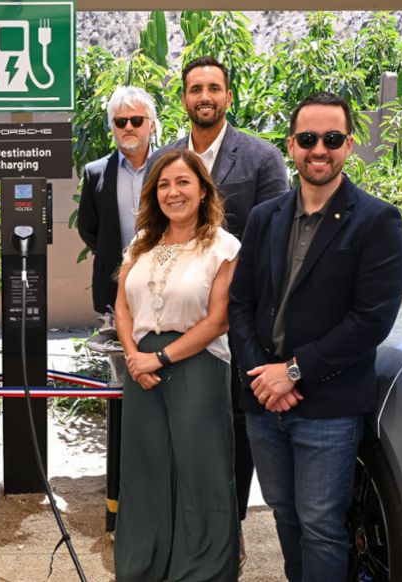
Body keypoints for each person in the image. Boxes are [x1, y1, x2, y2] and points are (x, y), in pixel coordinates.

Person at [228, 91, 402, 582]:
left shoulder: (377, 221)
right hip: (265, 404)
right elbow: (239, 304)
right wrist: (262, 378)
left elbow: (371, 321)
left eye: (332, 138)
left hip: (327, 405)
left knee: (323, 528)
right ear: (291, 145)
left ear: (349, 145)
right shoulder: (266, 217)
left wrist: (292, 372)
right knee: (285, 518)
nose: (319, 149)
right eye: (308, 139)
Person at [152, 55, 289, 564]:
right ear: (184, 98)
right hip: (174, 324)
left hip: (237, 323)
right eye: (194, 88)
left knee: (231, 431)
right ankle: (181, 535)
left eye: (213, 88)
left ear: (228, 96)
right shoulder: (165, 159)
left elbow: (275, 244)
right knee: (178, 431)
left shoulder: (261, 158)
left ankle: (226, 539)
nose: (204, 96)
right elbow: (149, 233)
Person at [114, 148, 241, 582]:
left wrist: (161, 356)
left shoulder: (222, 246)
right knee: (145, 470)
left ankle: (201, 571)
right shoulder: (141, 242)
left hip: (196, 368)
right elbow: (122, 308)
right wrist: (134, 357)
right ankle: (143, 566)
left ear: (203, 190)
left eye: (183, 182)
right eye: (164, 184)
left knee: (200, 470)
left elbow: (218, 320)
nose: (173, 192)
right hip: (141, 372)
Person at [77, 86, 158, 314]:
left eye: (136, 120)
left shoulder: (170, 166)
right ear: (112, 127)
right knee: (118, 349)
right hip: (113, 283)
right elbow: (88, 228)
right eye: (120, 122)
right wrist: (112, 253)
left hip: (165, 280)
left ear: (151, 124)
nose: (128, 127)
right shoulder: (95, 173)